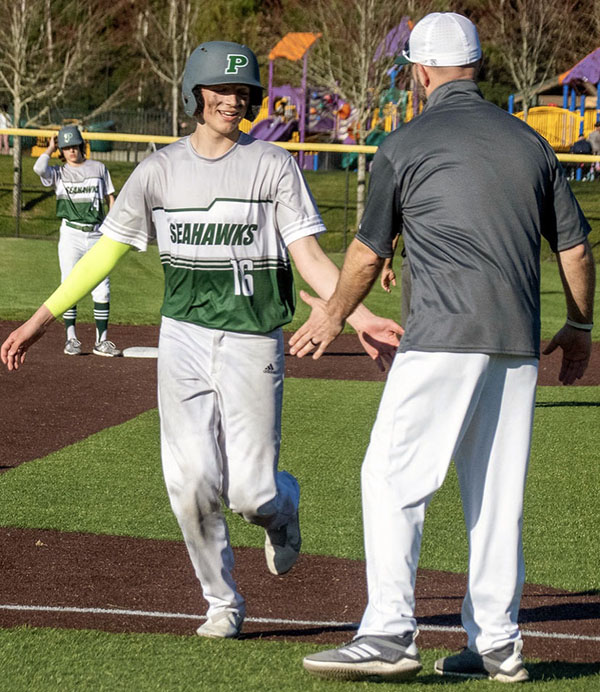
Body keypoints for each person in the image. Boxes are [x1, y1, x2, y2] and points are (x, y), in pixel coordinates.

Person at [2, 42, 402, 639]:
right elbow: (105, 252)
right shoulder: (158, 170)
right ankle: (222, 600)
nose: (232, 100)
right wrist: (40, 319)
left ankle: (283, 508)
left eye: (242, 92)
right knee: (189, 483)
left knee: (252, 492)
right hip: (183, 338)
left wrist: (361, 316)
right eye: (220, 90)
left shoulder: (272, 163)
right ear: (194, 94)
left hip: (252, 338)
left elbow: (310, 257)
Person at [291, 12, 595, 683]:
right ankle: (496, 645)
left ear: (419, 72)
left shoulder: (405, 143)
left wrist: (335, 314)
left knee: (391, 478)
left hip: (443, 336)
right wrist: (579, 327)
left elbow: (369, 253)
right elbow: (573, 247)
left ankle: (391, 633)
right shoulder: (530, 145)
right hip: (515, 345)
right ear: (478, 66)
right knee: (494, 497)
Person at [33, 125, 120, 357]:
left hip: (97, 233)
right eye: (66, 147)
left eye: (74, 146)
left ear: (82, 146)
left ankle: (102, 340)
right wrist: (50, 148)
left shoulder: (99, 168)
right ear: (62, 150)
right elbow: (38, 167)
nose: (71, 151)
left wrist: (111, 227)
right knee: (69, 285)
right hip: (70, 234)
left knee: (102, 288)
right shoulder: (58, 173)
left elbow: (110, 198)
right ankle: (71, 338)